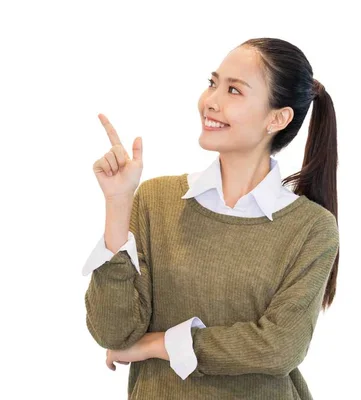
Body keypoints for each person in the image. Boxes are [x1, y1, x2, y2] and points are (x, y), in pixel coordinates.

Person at [82, 37, 339, 399]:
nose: (211, 102)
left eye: (234, 90)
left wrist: (159, 345)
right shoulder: (156, 201)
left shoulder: (311, 228)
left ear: (278, 118)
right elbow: (113, 332)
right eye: (213, 83)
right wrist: (118, 203)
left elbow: (280, 346)